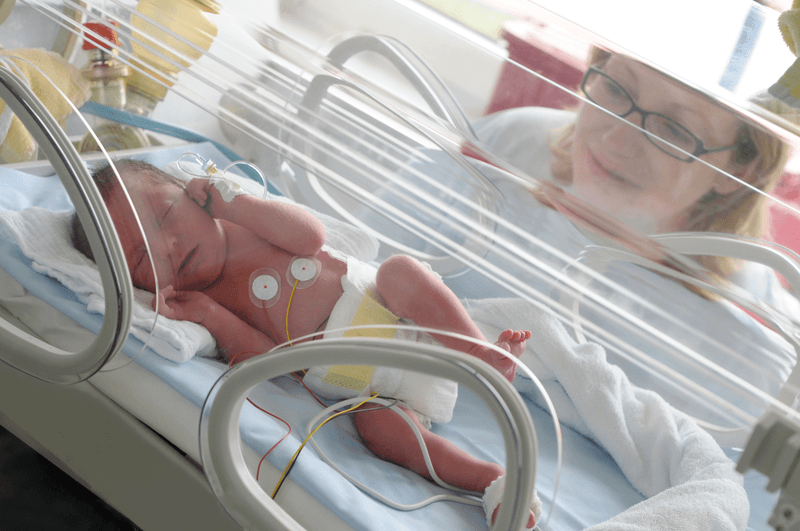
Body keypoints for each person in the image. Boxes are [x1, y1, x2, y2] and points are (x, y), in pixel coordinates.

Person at [70, 159, 541, 528]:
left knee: (401, 273)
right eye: (141, 259)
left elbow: (309, 235)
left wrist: (234, 204)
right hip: (369, 389)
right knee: (379, 431)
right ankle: (492, 481)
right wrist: (211, 316)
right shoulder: (205, 300)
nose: (167, 246)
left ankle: (479, 353)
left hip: (400, 318)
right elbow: (263, 362)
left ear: (195, 192)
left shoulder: (243, 220)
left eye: (166, 215)